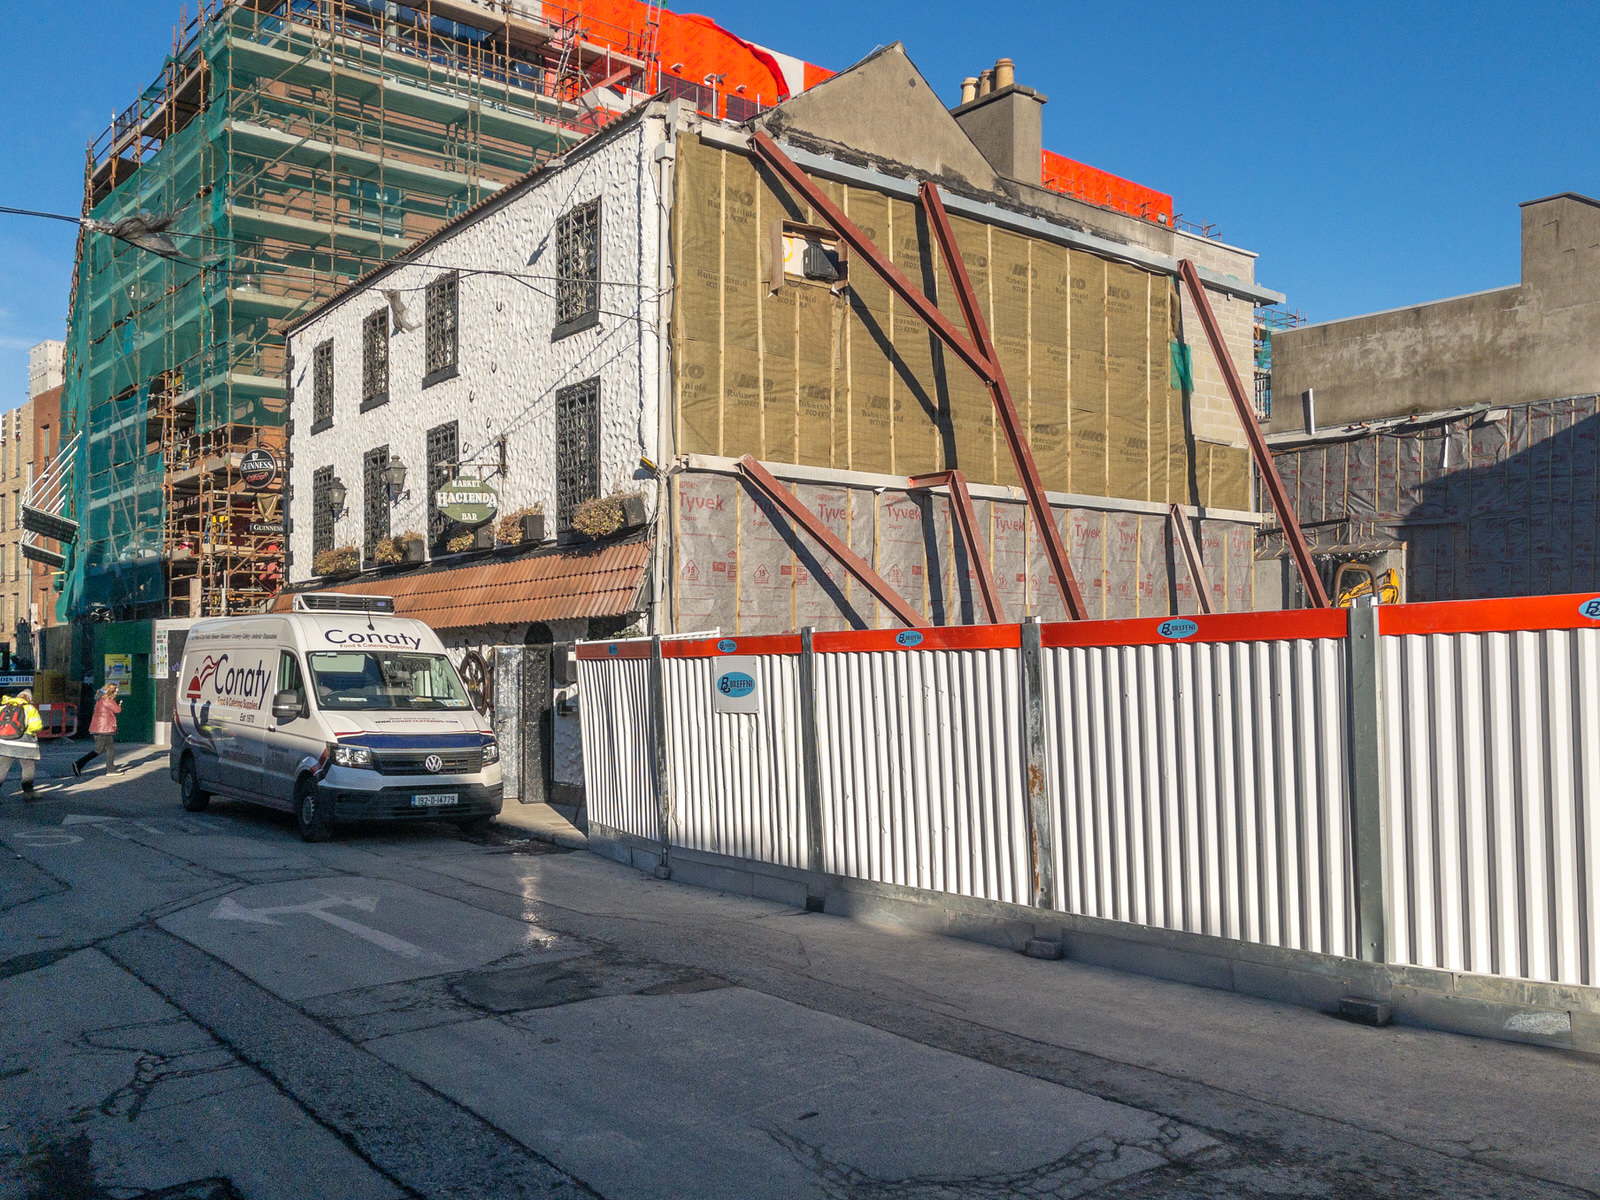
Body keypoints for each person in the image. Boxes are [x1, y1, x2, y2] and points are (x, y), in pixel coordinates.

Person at [0, 688, 45, 801]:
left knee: (2, 768)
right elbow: (36, 726)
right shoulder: (29, 708)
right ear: (29, 699)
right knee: (28, 767)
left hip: (5, 743)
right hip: (24, 744)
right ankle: (28, 793)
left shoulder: (4, 707)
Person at [74, 683, 122, 777]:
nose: (117, 693)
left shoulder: (100, 699)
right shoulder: (108, 700)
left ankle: (79, 763)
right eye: (116, 691)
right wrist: (119, 704)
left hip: (97, 728)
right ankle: (110, 770)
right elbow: (117, 710)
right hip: (105, 728)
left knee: (98, 750)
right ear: (111, 691)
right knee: (110, 749)